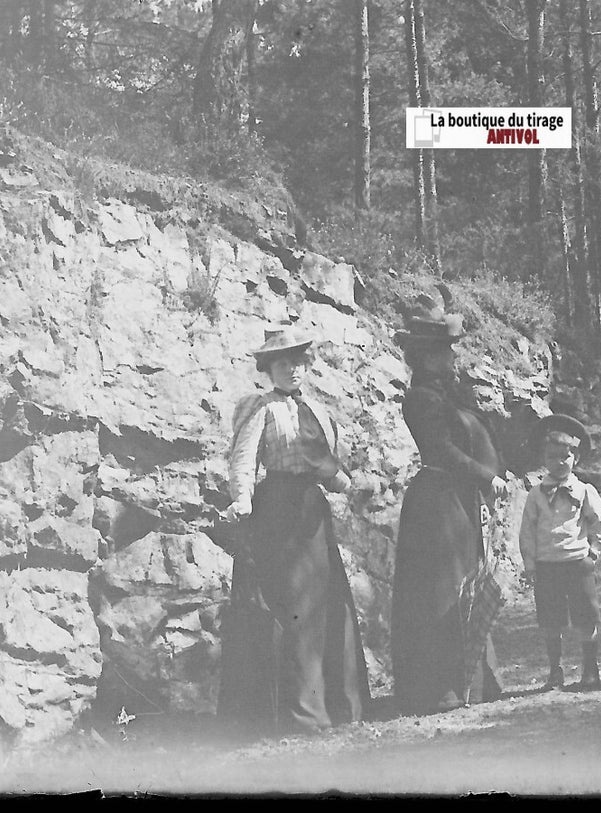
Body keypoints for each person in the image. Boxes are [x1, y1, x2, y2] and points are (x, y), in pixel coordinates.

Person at [217, 325, 371, 733]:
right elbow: (243, 458)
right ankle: (303, 712)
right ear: (269, 369)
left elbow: (325, 463)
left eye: (299, 362)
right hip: (277, 513)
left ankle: (338, 704)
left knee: (326, 605)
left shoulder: (317, 410)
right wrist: (243, 498)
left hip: (313, 513)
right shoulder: (260, 408)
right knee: (293, 606)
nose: (293, 370)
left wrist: (351, 486)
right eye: (284, 364)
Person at [391, 296, 512, 714]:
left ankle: (473, 682)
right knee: (442, 592)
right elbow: (442, 450)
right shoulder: (422, 399)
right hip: (437, 506)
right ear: (425, 358)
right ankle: (439, 688)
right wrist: (486, 476)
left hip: (455, 502)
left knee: (467, 587)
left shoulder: (446, 395)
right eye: (444, 351)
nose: (451, 357)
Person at [519, 413, 601, 691]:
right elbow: (527, 531)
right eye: (552, 457)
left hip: (577, 564)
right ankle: (555, 670)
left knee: (586, 616)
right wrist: (531, 563)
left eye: (566, 456)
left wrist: (593, 554)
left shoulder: (583, 491)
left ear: (576, 459)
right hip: (548, 565)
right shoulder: (536, 494)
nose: (560, 462)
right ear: (543, 459)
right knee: (551, 619)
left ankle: (590, 669)